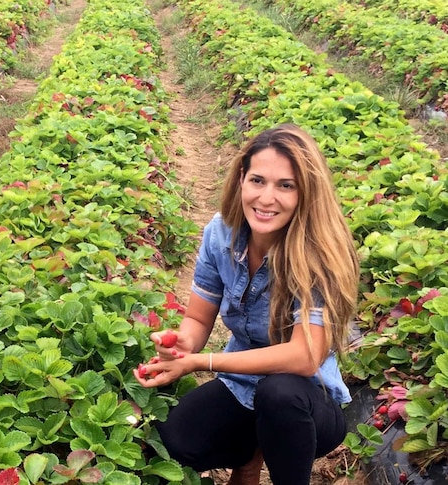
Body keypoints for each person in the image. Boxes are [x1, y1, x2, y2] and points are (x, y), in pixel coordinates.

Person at [134, 124, 359, 484]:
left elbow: (304, 357)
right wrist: (182, 345)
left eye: (285, 185)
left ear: (306, 192)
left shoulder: (320, 253)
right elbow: (197, 316)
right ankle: (249, 457)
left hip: (307, 401)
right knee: (177, 440)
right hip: (242, 385)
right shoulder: (221, 233)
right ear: (241, 178)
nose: (267, 198)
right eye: (258, 180)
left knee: (279, 393)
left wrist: (202, 362)